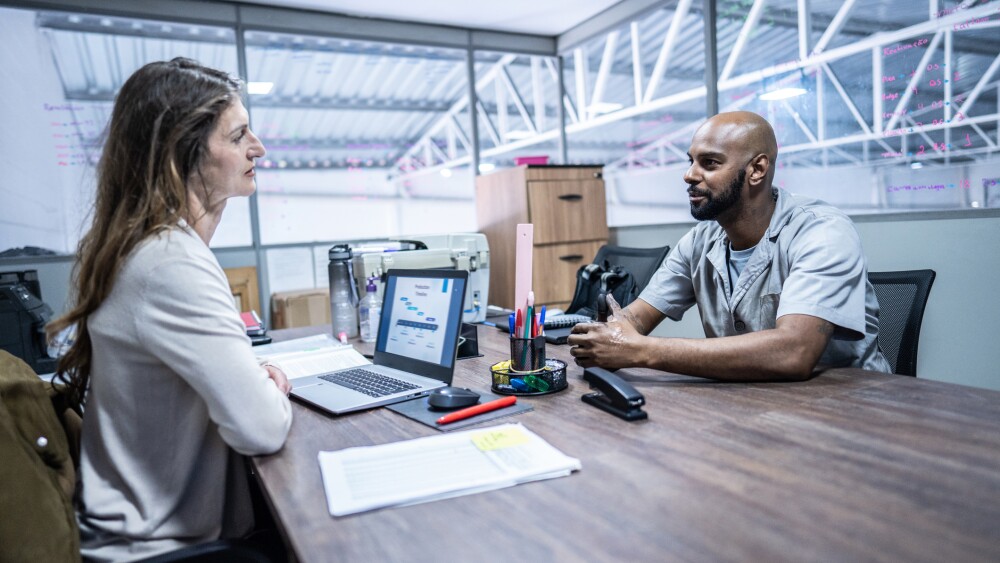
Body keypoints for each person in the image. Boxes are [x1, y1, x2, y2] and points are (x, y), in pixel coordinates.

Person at [46, 58, 292, 561]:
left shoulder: (144, 248)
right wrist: (270, 386)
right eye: (238, 135)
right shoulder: (170, 263)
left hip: (143, 530)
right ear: (184, 154)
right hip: (166, 549)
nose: (258, 147)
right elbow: (262, 428)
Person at [568, 111, 891, 381]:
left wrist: (639, 351)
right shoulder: (699, 241)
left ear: (757, 170)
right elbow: (636, 319)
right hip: (748, 402)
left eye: (709, 163)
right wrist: (613, 333)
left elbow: (794, 351)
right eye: (691, 161)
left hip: (850, 408)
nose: (689, 175)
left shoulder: (822, 231)